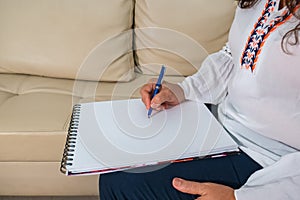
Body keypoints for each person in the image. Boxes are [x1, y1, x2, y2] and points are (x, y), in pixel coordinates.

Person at [99, 0, 300, 199]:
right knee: (119, 165)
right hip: (222, 125)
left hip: (270, 161)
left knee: (121, 184)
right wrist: (183, 90)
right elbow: (232, 56)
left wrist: (242, 197)